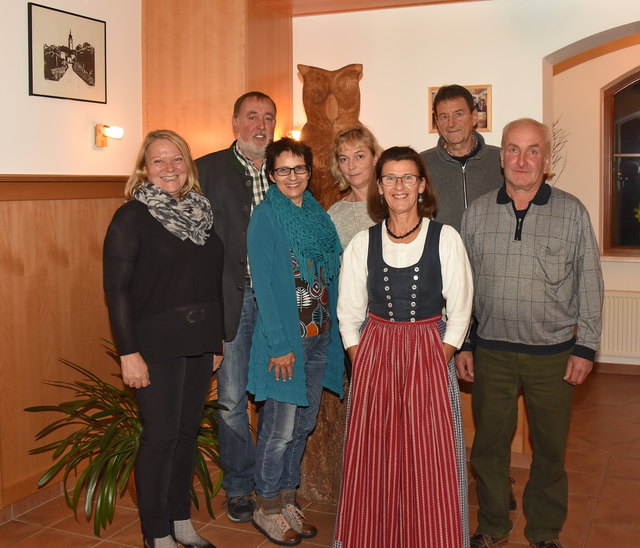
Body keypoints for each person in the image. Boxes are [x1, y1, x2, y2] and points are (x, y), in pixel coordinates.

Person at [457, 118, 604, 548]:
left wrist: (587, 347)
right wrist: (463, 342)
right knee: (488, 449)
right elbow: (463, 287)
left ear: (547, 158)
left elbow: (589, 283)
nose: (522, 160)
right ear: (500, 156)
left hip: (554, 356)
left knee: (550, 451)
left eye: (533, 150)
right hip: (492, 354)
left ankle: (543, 530)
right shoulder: (477, 212)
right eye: (514, 150)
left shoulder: (573, 212)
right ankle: (493, 525)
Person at [333, 146, 473, 548]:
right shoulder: (363, 242)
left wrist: (434, 361)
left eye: (407, 177)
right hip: (376, 350)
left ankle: (431, 536)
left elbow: (461, 311)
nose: (399, 185)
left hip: (429, 349)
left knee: (430, 457)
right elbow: (349, 311)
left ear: (421, 185)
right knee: (374, 457)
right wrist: (364, 360)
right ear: (379, 187)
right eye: (390, 178)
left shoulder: (445, 238)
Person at [103, 130, 224, 548]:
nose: (169, 168)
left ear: (188, 166)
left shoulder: (202, 214)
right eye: (159, 161)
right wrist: (128, 354)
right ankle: (156, 532)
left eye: (177, 159)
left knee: (187, 433)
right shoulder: (131, 217)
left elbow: (212, 281)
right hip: (154, 345)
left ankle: (180, 521)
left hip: (198, 342)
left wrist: (216, 342)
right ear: (143, 168)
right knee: (160, 438)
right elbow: (116, 291)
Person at [247, 138, 344, 546]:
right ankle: (265, 505)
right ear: (271, 175)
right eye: (283, 170)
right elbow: (265, 288)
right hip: (287, 343)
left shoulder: (319, 216)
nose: (292, 176)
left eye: (299, 168)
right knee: (279, 430)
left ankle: (288, 498)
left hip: (319, 339)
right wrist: (280, 345)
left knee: (303, 426)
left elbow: (331, 274)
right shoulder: (266, 216)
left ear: (309, 171)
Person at [195, 91, 276, 522]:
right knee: (230, 398)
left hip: (279, 303)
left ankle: (273, 480)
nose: (260, 126)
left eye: (267, 118)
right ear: (235, 123)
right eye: (251, 117)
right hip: (231, 301)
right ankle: (240, 486)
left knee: (277, 395)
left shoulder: (288, 170)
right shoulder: (206, 170)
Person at [420, 84, 503, 231]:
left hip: (491, 252)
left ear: (474, 117)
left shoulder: (500, 160)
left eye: (458, 114)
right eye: (444, 117)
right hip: (442, 252)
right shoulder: (421, 164)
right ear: (437, 122)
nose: (451, 123)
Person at [327, 126, 383, 248]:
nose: (351, 166)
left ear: (375, 158)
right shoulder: (334, 214)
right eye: (344, 159)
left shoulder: (394, 201)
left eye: (359, 156)